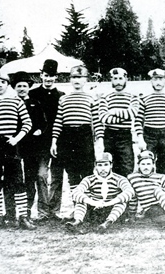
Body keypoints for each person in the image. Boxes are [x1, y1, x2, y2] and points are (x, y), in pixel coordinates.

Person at [0, 71, 35, 230]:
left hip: (11, 144)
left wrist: (16, 138)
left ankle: (23, 217)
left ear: (7, 85)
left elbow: (27, 124)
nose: (0, 85)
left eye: (3, 82)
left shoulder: (17, 102)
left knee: (18, 181)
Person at [51, 65, 104, 220]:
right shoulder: (64, 98)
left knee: (87, 173)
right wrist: (54, 142)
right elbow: (58, 121)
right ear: (70, 79)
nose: (77, 80)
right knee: (72, 175)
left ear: (86, 80)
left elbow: (97, 121)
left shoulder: (91, 98)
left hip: (84, 136)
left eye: (80, 77)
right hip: (67, 137)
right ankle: (78, 210)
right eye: (74, 77)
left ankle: (89, 210)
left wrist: (99, 142)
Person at [28, 59, 64, 221]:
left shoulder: (61, 96)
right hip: (39, 142)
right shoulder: (33, 94)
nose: (48, 79)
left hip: (57, 141)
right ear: (41, 75)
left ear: (56, 77)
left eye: (52, 76)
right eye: (46, 75)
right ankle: (42, 211)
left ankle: (54, 210)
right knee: (41, 175)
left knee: (57, 176)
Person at [65, 153, 135, 234]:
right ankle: (77, 222)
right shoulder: (89, 179)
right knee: (80, 200)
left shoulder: (119, 179)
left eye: (106, 165)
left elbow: (130, 191)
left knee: (122, 201)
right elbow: (76, 192)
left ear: (111, 165)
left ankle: (107, 223)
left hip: (112, 210)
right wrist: (93, 202)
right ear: (95, 166)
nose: (103, 169)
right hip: (95, 209)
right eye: (100, 165)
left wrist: (109, 203)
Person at [11, 71, 48, 220]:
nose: (21, 89)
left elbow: (43, 122)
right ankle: (23, 211)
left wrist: (39, 130)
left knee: (34, 178)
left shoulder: (35, 103)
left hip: (34, 147)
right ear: (14, 88)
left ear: (29, 87)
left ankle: (39, 212)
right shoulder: (11, 103)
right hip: (18, 147)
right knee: (22, 180)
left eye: (24, 86)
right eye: (19, 86)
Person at [135, 68, 165, 175]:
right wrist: (140, 139)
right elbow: (138, 120)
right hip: (149, 134)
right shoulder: (144, 99)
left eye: (161, 79)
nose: (158, 82)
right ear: (151, 81)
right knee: (146, 161)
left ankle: (162, 186)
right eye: (155, 79)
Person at [99, 68, 139, 177]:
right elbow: (103, 117)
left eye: (121, 78)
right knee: (109, 164)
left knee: (126, 164)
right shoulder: (105, 97)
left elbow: (133, 112)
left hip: (125, 134)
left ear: (126, 79)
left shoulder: (132, 96)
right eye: (115, 79)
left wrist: (113, 112)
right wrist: (123, 116)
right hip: (109, 135)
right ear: (111, 80)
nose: (118, 82)